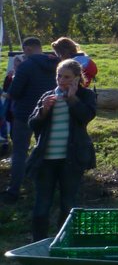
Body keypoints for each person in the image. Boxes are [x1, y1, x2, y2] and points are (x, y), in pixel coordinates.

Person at [28, 58, 97, 240]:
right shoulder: (48, 96)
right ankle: (38, 243)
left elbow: (86, 117)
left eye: (67, 76)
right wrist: (43, 110)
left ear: (77, 78)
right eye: (59, 75)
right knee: (42, 204)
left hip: (72, 159)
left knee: (68, 204)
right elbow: (33, 123)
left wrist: (72, 98)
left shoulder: (86, 95)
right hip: (46, 159)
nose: (61, 80)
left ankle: (63, 243)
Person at [3, 38, 58, 205]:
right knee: (48, 150)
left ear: (27, 49)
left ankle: (14, 191)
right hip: (48, 112)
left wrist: (13, 76)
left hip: (24, 114)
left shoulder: (25, 66)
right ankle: (50, 188)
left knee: (19, 152)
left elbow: (15, 92)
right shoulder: (56, 63)